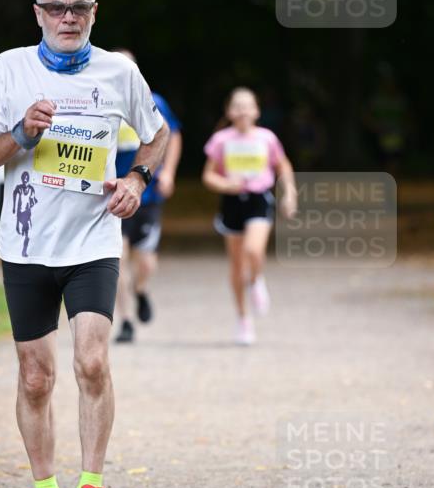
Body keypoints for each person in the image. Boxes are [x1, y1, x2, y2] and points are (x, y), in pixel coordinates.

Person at [0, 0, 169, 488]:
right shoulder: (9, 68)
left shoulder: (118, 71)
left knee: (91, 361)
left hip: (93, 241)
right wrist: (22, 134)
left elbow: (158, 134)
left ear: (93, 12)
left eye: (78, 8)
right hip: (28, 245)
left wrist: (137, 177)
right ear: (37, 13)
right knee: (36, 376)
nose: (67, 18)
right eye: (56, 9)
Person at [202, 87, 297, 345]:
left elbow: (283, 166)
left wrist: (290, 194)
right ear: (229, 111)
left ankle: (256, 280)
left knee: (253, 252)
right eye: (237, 106)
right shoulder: (221, 140)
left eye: (248, 105)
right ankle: (243, 319)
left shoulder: (266, 138)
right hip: (232, 203)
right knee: (235, 265)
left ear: (256, 111)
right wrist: (225, 184)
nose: (243, 110)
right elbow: (208, 175)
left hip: (259, 199)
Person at [113, 49, 182, 343]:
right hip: (112, 193)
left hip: (148, 193)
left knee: (144, 261)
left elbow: (173, 136)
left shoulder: (154, 101)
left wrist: (168, 173)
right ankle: (126, 320)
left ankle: (141, 290)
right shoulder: (99, 101)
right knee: (117, 259)